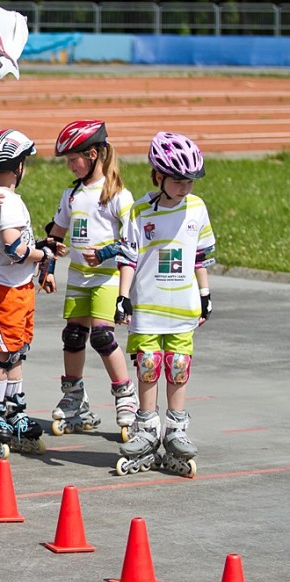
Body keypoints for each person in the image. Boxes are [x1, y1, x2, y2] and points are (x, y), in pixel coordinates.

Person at [113, 132, 214, 479]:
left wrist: (205, 294)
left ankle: (176, 430)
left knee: (179, 365)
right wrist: (123, 297)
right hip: (148, 305)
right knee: (148, 364)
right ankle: (146, 429)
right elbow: (128, 258)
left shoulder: (196, 208)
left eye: (190, 181)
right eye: (177, 180)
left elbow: (200, 255)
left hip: (182, 306)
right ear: (158, 176)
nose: (185, 187)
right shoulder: (140, 211)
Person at [0, 130, 65, 459]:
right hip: (2, 287)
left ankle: (13, 410)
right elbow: (14, 249)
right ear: (18, 166)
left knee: (16, 352)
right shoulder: (8, 200)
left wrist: (39, 250)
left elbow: (14, 245)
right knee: (4, 353)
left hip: (17, 285)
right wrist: (44, 255)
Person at [46, 120, 139, 440]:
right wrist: (48, 266)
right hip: (78, 277)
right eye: (68, 160)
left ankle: (126, 396)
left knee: (101, 337)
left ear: (94, 154)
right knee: (73, 336)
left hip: (106, 278)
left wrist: (105, 253)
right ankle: (74, 397)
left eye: (74, 159)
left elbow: (132, 242)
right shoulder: (72, 194)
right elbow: (55, 234)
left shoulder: (117, 195)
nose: (70, 165)